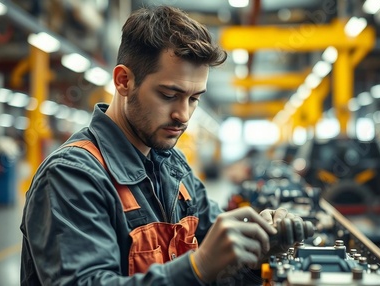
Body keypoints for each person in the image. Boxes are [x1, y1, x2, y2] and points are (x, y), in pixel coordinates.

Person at [20, 5, 306, 285]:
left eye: (194, 99)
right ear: (124, 81)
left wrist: (255, 258)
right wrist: (196, 267)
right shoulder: (71, 177)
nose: (183, 114)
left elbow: (219, 270)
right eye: (170, 94)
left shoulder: (174, 167)